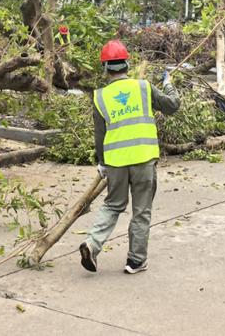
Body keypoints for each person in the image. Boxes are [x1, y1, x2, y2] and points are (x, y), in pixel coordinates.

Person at [79, 39, 180, 275]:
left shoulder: (100, 96)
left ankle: (92, 244)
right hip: (144, 159)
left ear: (105, 67)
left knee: (113, 205)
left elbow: (99, 135)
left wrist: (102, 163)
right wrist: (168, 85)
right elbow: (173, 106)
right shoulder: (143, 87)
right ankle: (135, 261)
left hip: (115, 162)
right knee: (141, 210)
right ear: (127, 64)